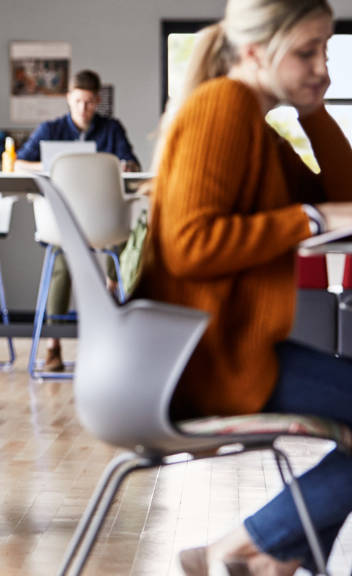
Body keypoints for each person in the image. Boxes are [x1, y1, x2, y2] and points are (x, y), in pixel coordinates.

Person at [137, 1, 352, 573]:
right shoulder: (224, 107)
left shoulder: (257, 124)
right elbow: (190, 242)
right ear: (255, 51)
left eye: (325, 51)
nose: (322, 66)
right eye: (307, 52)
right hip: (207, 360)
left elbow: (343, 194)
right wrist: (310, 220)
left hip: (233, 350)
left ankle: (272, 556)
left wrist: (316, 111)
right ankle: (244, 546)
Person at [18, 70, 142, 371]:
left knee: (128, 239)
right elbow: (20, 163)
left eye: (88, 102)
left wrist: (126, 165)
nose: (83, 109)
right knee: (62, 260)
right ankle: (53, 346)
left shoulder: (111, 129)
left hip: (103, 220)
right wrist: (51, 165)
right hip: (64, 220)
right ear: (68, 99)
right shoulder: (51, 128)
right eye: (77, 102)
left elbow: (133, 164)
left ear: (97, 100)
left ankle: (111, 294)